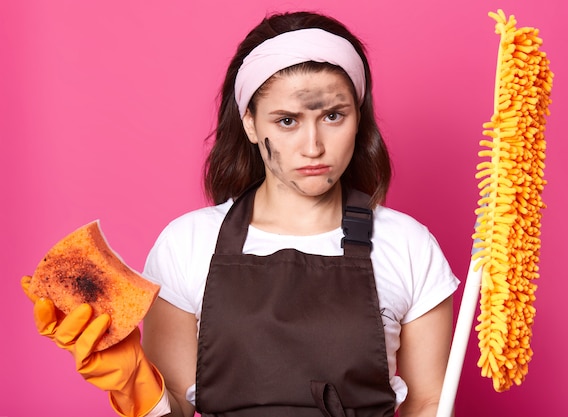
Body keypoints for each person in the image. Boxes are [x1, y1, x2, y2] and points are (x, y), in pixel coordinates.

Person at [22, 11, 459, 417]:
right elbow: (173, 408)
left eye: (332, 115)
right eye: (286, 120)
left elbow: (429, 402)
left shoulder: (408, 245)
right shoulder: (188, 244)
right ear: (250, 123)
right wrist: (133, 380)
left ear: (357, 118)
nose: (313, 146)